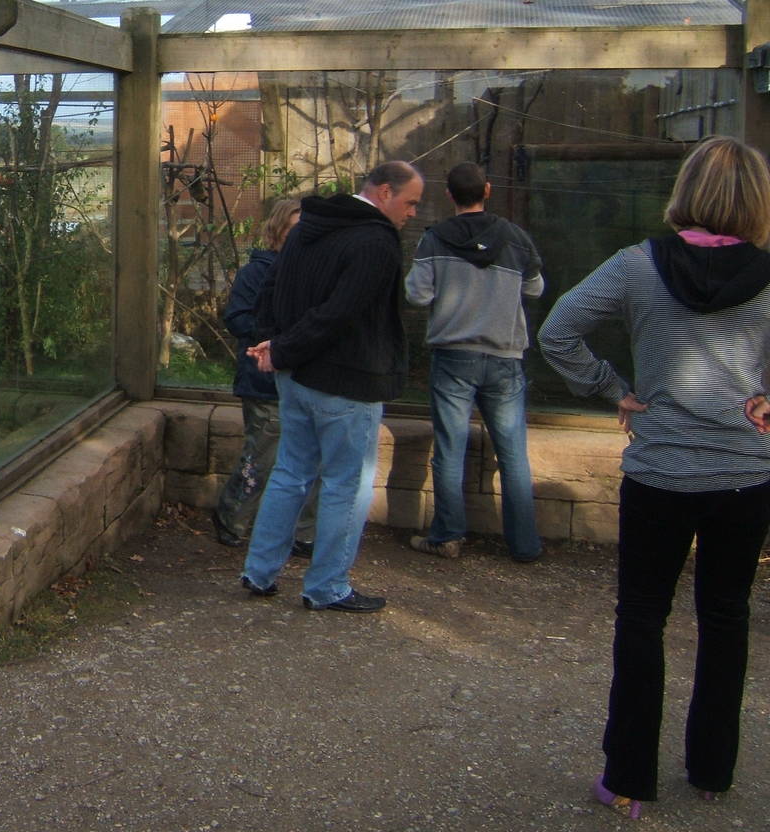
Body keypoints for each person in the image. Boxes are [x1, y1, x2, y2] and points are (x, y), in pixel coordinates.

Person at [538, 135, 770, 817]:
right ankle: (711, 770)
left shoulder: (636, 266)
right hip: (745, 475)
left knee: (641, 619)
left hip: (660, 473)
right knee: (726, 620)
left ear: (686, 190)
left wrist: (611, 386)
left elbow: (558, 331)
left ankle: (628, 780)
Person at [239, 161, 423, 613]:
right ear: (384, 192)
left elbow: (274, 287)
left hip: (296, 378)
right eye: (410, 202)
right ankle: (326, 587)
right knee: (346, 482)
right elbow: (340, 313)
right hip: (344, 382)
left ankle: (259, 572)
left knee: (290, 473)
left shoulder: (311, 225)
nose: (413, 213)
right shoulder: (375, 241)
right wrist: (279, 349)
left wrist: (272, 343)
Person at [404, 162, 545, 563]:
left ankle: (447, 535)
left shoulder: (434, 238)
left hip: (453, 356)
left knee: (450, 448)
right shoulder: (516, 238)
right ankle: (525, 544)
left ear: (449, 195)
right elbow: (536, 288)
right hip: (504, 357)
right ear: (487, 189)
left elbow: (417, 295)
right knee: (513, 452)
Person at [211, 198, 317, 552]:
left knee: (306, 462)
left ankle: (301, 533)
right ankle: (232, 518)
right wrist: (276, 339)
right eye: (294, 227)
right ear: (278, 229)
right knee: (261, 457)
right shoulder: (255, 273)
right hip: (263, 381)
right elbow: (236, 318)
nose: (301, 234)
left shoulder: (312, 272)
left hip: (305, 382)